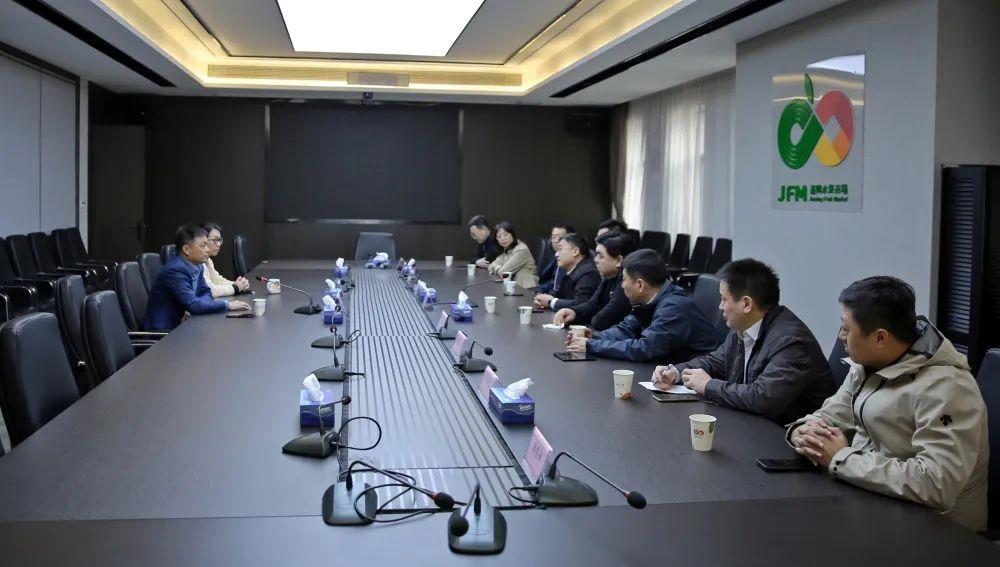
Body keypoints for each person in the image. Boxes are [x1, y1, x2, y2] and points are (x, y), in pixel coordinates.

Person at [787, 276, 988, 531]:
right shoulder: (869, 364)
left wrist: (842, 458)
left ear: (880, 338)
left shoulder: (948, 387)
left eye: (846, 329)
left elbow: (936, 484)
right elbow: (832, 414)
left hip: (938, 530)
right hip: (871, 501)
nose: (840, 337)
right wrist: (803, 431)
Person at [651, 259, 835, 423]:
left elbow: (762, 398)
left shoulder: (791, 342)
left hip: (788, 436)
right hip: (753, 423)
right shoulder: (742, 327)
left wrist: (708, 385)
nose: (720, 306)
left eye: (724, 299)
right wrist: (675, 372)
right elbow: (715, 361)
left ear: (746, 304)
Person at [566, 249, 717, 362]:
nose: (622, 286)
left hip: (694, 376)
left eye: (624, 280)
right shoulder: (651, 299)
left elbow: (645, 348)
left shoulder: (674, 307)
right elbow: (626, 329)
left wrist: (592, 346)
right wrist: (594, 337)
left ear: (640, 285)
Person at [145, 224, 250, 331]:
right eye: (203, 245)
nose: (207, 250)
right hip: (165, 332)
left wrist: (195, 305)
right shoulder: (175, 270)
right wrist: (227, 305)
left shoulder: (198, 265)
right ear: (186, 249)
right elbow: (193, 305)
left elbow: (206, 292)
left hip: (185, 324)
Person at [553, 231, 636, 331]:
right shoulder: (608, 277)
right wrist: (573, 312)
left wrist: (592, 316)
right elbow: (592, 305)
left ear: (618, 261)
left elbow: (602, 320)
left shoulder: (627, 282)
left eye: (601, 256)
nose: (596, 260)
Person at [532, 233, 600, 312]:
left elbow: (581, 303)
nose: (556, 254)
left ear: (575, 251)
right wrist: (542, 299)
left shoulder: (588, 273)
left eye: (560, 249)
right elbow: (559, 295)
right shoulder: (569, 270)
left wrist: (551, 302)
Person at [201, 222, 250, 298]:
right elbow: (210, 290)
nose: (219, 244)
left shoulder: (208, 260)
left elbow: (217, 280)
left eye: (219, 240)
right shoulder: (198, 262)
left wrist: (238, 284)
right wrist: (236, 288)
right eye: (215, 240)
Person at [488, 221, 539, 290]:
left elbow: (503, 272)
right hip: (514, 287)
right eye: (499, 237)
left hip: (527, 288)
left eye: (505, 235)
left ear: (512, 234)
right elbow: (491, 265)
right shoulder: (507, 249)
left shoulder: (521, 249)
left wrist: (497, 268)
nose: (503, 238)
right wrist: (498, 267)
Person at [536, 223, 574, 293]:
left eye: (560, 237)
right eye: (553, 237)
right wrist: (538, 290)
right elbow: (552, 282)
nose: (555, 241)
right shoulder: (557, 256)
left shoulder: (570, 260)